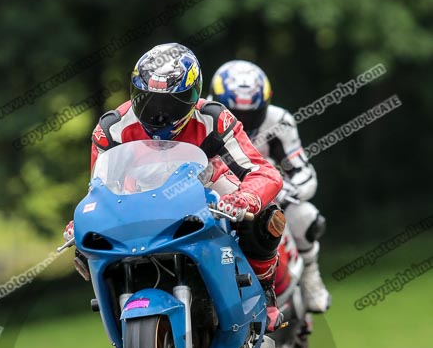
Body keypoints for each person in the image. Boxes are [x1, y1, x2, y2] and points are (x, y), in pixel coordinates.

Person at [64, 43, 287, 331]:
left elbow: (262, 170)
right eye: (148, 101)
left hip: (205, 191)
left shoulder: (214, 118)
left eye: (172, 103)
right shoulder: (111, 129)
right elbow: (98, 189)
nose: (159, 114)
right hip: (136, 201)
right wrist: (81, 220)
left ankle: (264, 289)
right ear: (134, 94)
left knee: (266, 217)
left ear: (193, 97)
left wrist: (246, 198)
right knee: (86, 246)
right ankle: (121, 310)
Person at [209, 60, 331, 312]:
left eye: (251, 114)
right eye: (234, 112)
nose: (241, 120)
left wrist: (287, 190)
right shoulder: (204, 116)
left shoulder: (279, 121)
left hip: (266, 194)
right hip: (217, 195)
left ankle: (310, 275)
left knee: (307, 217)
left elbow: (303, 171)